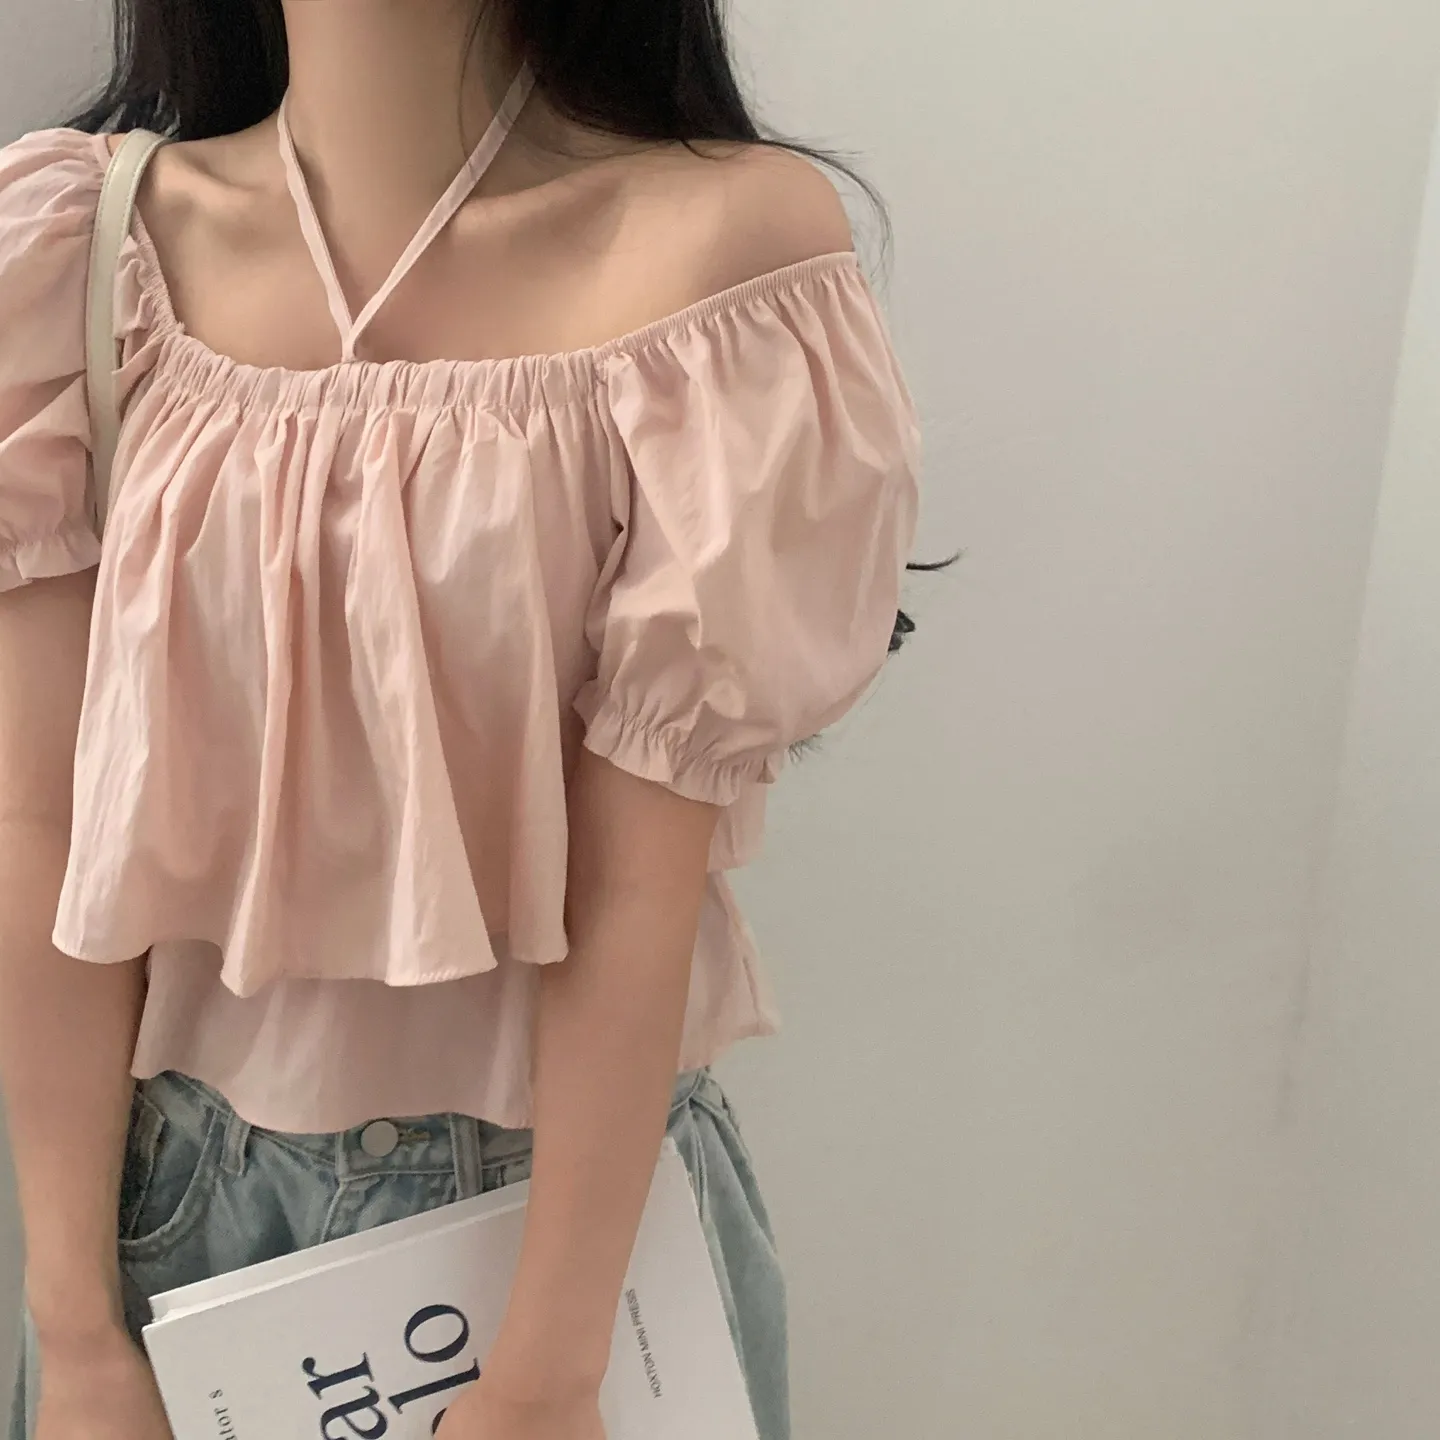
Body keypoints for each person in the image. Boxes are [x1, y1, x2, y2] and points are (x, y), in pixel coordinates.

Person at [0, 2, 920, 1438]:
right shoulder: (74, 254)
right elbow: (41, 822)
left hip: (576, 1246)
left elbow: (634, 885)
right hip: (166, 1228)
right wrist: (77, 1330)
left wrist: (549, 1374)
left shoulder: (719, 260)